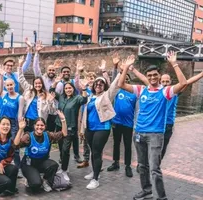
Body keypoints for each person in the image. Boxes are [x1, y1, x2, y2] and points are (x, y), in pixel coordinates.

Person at [118, 52, 187, 200]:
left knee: (154, 168)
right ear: (147, 77)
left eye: (155, 75)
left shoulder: (165, 91)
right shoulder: (141, 90)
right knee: (142, 166)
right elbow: (121, 84)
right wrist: (126, 67)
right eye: (149, 76)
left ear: (159, 75)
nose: (152, 78)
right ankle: (147, 190)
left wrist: (174, 63)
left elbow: (183, 83)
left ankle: (161, 197)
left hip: (156, 135)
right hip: (139, 133)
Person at [80, 64, 121, 189]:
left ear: (104, 86)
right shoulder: (90, 97)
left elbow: (115, 85)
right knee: (93, 152)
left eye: (101, 84)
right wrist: (82, 130)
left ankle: (96, 179)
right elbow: (84, 114)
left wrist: (121, 71)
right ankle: (94, 171)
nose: (98, 85)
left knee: (97, 152)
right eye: (96, 84)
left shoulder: (107, 95)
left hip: (102, 128)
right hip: (90, 128)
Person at [14, 111, 68, 192]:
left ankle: (45, 180)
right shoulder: (28, 136)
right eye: (37, 125)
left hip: (42, 162)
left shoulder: (48, 135)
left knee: (53, 165)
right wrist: (21, 129)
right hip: (29, 164)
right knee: (35, 185)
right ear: (34, 126)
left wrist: (63, 120)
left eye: (42, 125)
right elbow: (15, 145)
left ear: (45, 126)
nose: (40, 127)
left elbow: (64, 134)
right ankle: (31, 178)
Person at [50, 74, 88, 181]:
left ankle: (65, 170)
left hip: (70, 128)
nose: (68, 90)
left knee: (66, 149)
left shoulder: (77, 98)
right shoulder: (61, 97)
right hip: (59, 126)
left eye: (70, 88)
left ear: (73, 89)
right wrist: (56, 82)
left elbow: (84, 100)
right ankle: (63, 166)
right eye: (66, 88)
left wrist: (84, 88)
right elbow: (51, 90)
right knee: (61, 148)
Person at [160, 71, 203, 159]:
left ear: (170, 82)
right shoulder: (157, 91)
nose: (165, 83)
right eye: (163, 81)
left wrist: (202, 74)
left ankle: (157, 165)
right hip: (157, 123)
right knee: (152, 145)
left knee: (163, 146)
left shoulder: (174, 91)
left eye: (167, 81)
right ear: (160, 82)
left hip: (168, 124)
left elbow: (188, 82)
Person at [18, 56, 56, 132]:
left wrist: (51, 101)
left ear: (42, 84)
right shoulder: (29, 90)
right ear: (33, 84)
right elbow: (21, 79)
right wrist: (20, 66)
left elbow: (52, 112)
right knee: (26, 141)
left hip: (39, 124)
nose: (37, 85)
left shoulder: (47, 95)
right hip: (27, 121)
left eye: (39, 83)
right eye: (36, 83)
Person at [32, 40, 63, 132]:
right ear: (46, 71)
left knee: (50, 135)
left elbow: (60, 98)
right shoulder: (43, 80)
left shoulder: (60, 84)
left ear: (55, 71)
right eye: (49, 70)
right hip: (43, 111)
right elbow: (36, 68)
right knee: (40, 132)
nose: (51, 72)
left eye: (53, 70)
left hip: (54, 112)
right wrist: (37, 53)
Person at [0, 78, 24, 172]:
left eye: (11, 85)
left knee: (14, 146)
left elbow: (20, 114)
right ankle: (0, 165)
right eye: (7, 85)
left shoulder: (19, 98)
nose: (9, 87)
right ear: (5, 86)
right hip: (1, 122)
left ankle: (17, 168)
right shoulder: (3, 94)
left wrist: (21, 129)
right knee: (0, 143)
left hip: (12, 123)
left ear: (14, 85)